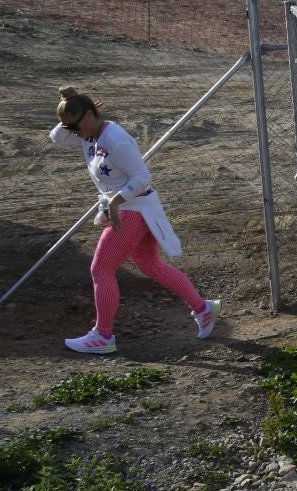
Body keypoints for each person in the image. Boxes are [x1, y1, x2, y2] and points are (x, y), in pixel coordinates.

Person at [49, 86, 220, 354]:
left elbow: (142, 178)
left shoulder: (115, 139)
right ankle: (203, 308)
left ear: (91, 116)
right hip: (129, 208)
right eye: (70, 128)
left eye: (76, 127)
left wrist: (115, 202)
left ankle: (103, 336)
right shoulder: (87, 134)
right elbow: (56, 138)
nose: (73, 133)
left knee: (100, 269)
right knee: (151, 266)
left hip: (134, 209)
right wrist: (70, 108)